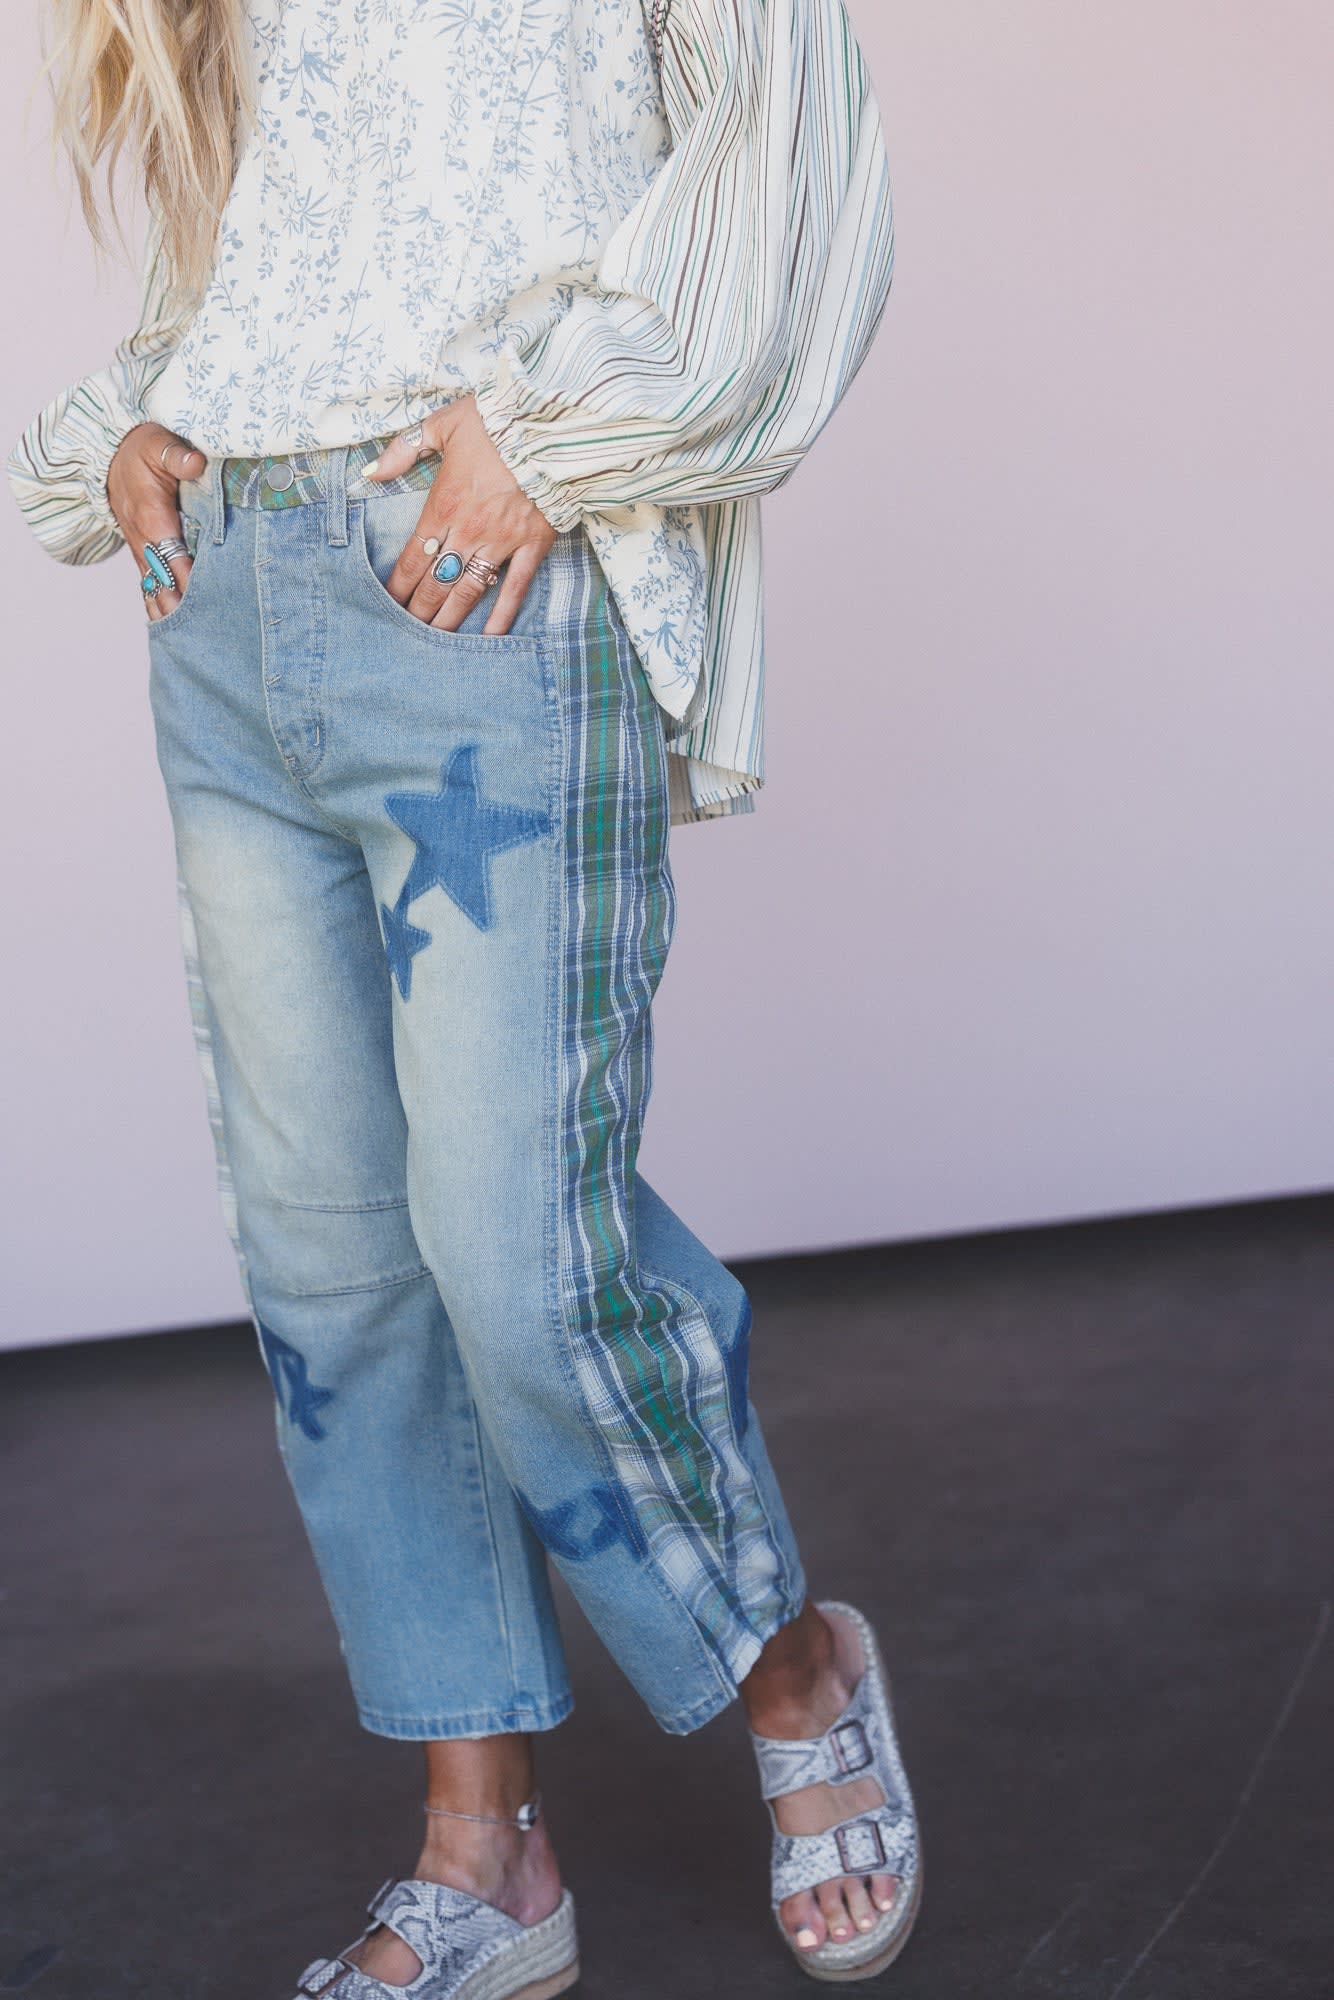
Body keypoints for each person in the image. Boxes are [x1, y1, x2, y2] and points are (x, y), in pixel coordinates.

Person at [9, 0, 917, 1990]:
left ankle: (791, 1665)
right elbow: (289, 223)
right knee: (331, 1264)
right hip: (226, 593)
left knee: (513, 1245)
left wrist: (552, 440)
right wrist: (140, 426)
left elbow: (792, 178)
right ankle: (480, 1848)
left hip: (477, 581)